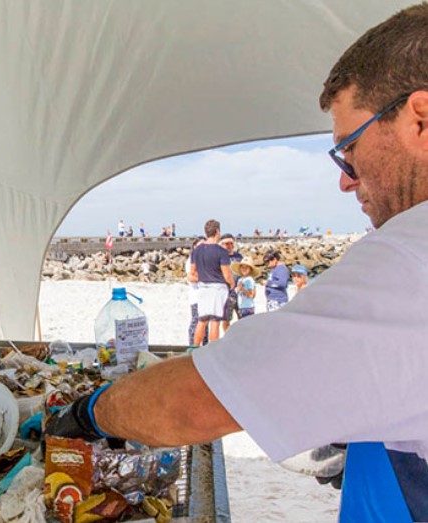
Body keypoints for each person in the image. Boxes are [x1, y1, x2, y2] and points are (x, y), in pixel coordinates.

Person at [46, 6, 428, 520]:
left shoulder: (411, 256)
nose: (346, 178)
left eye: (347, 149)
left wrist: (87, 413)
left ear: (420, 119)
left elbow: (189, 403)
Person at [188, 220, 234, 346]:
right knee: (215, 321)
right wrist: (232, 283)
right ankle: (212, 348)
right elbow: (226, 274)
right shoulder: (221, 252)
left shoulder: (197, 251)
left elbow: (193, 272)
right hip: (218, 287)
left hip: (203, 286)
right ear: (218, 231)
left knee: (202, 320)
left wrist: (203, 277)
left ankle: (194, 347)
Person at [185, 237, 207, 347]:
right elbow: (192, 277)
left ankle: (205, 346)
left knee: (205, 324)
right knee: (196, 322)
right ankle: (193, 346)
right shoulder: (192, 260)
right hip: (196, 297)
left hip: (207, 296)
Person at [218, 233, 242, 332]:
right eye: (226, 243)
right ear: (222, 244)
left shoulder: (239, 256)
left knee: (242, 317)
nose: (229, 246)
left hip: (240, 290)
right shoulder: (219, 257)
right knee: (226, 318)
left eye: (231, 243)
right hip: (227, 292)